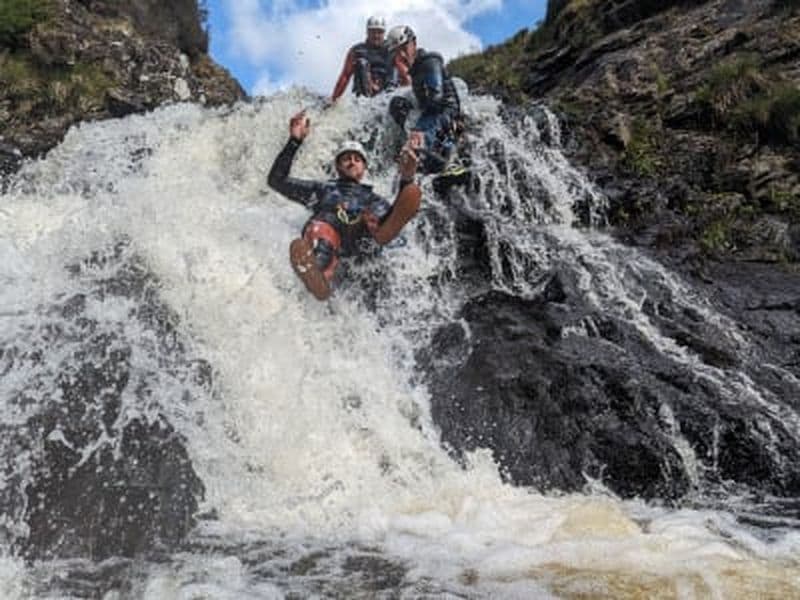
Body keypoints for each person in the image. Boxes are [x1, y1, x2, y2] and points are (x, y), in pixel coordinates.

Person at [268, 110, 422, 300]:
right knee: (320, 227)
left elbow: (397, 212)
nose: (352, 161)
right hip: (330, 239)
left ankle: (404, 185)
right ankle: (318, 272)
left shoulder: (372, 198)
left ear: (364, 168)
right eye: (346, 158)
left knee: (376, 215)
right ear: (337, 166)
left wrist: (406, 181)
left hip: (363, 243)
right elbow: (277, 181)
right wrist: (294, 141)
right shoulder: (321, 189)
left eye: (357, 159)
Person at [385, 25, 464, 176]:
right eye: (397, 52)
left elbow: (436, 98)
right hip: (431, 112)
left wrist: (419, 129)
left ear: (414, 43)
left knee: (420, 136)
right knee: (397, 104)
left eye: (404, 48)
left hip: (446, 111)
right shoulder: (414, 70)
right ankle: (418, 152)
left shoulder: (430, 61)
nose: (401, 54)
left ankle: (449, 161)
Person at [330, 16, 393, 102]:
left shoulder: (391, 48)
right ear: (367, 32)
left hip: (386, 91)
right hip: (364, 92)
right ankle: (365, 101)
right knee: (361, 62)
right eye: (373, 32)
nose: (376, 35)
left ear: (384, 33)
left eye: (379, 32)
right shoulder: (357, 50)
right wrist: (333, 99)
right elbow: (345, 76)